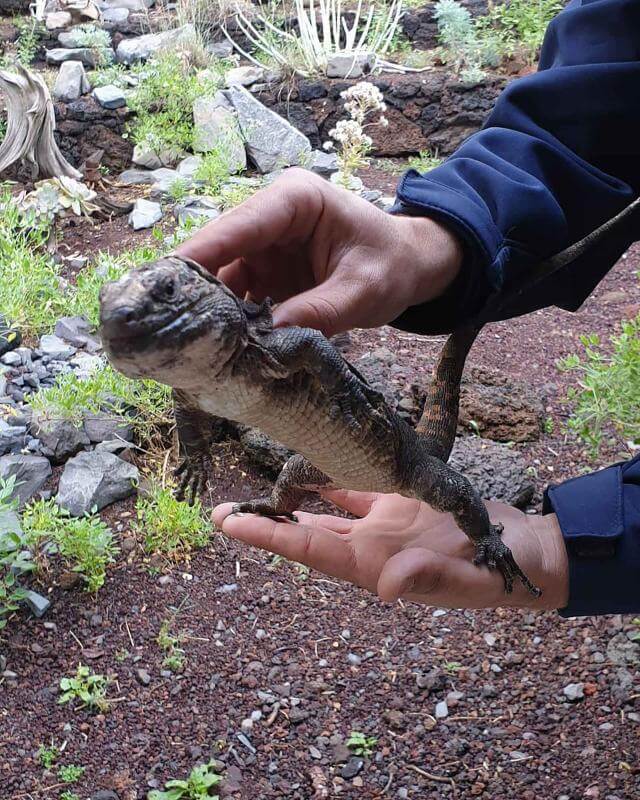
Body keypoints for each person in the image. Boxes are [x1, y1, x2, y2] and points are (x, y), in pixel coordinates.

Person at [177, 0, 640, 618]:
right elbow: (589, 104)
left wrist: (549, 543)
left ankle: (491, 543)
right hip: (333, 452)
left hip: (398, 458)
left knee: (447, 490)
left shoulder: (401, 459)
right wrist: (435, 236)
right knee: (293, 473)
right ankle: (282, 504)